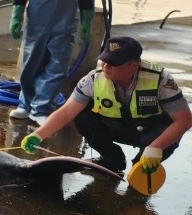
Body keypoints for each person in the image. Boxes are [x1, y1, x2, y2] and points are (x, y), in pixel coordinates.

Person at [21, 36, 191, 174]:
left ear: (134, 65)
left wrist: (156, 148)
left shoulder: (160, 80)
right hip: (117, 126)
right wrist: (38, 135)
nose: (106, 67)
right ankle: (112, 160)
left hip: (151, 131)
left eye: (113, 63)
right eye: (104, 60)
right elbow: (66, 112)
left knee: (142, 171)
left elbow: (184, 120)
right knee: (82, 115)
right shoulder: (93, 79)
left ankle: (142, 163)